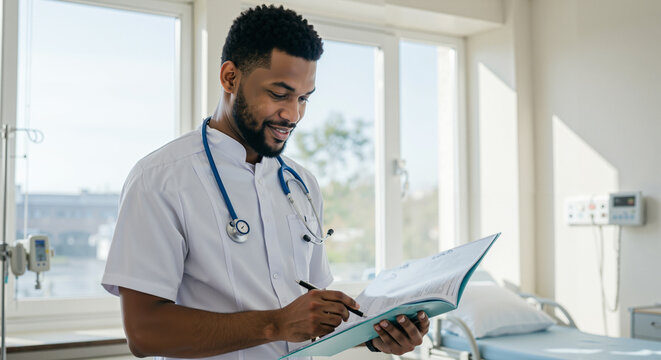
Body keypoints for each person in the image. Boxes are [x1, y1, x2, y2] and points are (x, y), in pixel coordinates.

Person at [102, 5, 429, 359]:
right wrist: (275, 325)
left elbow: (311, 318)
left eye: (304, 98)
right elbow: (144, 333)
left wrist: (375, 335)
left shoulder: (302, 184)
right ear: (230, 78)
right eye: (279, 94)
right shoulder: (160, 179)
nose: (293, 114)